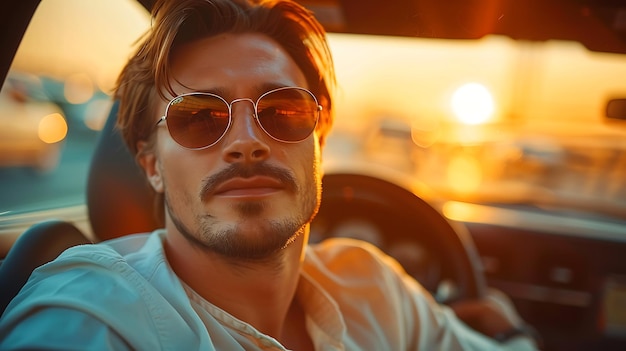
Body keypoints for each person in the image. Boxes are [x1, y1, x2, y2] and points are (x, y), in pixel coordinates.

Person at [0, 0, 539, 349]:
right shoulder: (92, 318)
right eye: (199, 118)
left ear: (318, 140)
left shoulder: (374, 288)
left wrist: (510, 330)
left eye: (282, 111)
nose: (246, 141)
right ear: (151, 165)